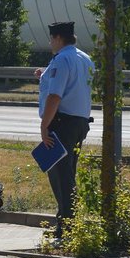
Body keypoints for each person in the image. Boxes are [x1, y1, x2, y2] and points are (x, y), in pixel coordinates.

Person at [36, 21, 94, 237]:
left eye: (51, 38)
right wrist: (43, 77)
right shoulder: (85, 58)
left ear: (58, 38)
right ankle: (66, 222)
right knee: (67, 173)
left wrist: (44, 126)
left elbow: (55, 96)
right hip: (80, 122)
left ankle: (68, 227)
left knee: (60, 175)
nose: (50, 42)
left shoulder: (61, 59)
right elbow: (72, 86)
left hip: (62, 123)